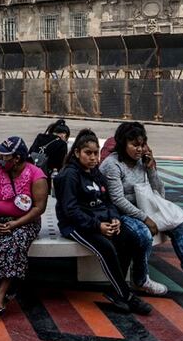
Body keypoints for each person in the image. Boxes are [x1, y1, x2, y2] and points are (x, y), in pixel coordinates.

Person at [100, 122, 183, 295]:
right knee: (143, 233)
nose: (139, 149)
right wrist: (145, 219)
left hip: (143, 208)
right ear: (122, 144)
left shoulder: (141, 162)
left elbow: (159, 192)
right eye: (134, 145)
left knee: (178, 224)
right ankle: (140, 279)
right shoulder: (112, 165)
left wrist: (151, 169)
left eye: (142, 145)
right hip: (118, 213)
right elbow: (117, 200)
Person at [54, 129, 154, 316]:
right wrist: (97, 226)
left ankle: (116, 292)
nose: (93, 158)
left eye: (96, 153)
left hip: (101, 221)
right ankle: (126, 295)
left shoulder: (95, 172)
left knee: (130, 239)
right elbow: (70, 210)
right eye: (88, 153)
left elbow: (108, 201)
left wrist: (114, 218)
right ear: (77, 153)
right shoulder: (70, 175)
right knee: (105, 248)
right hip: (75, 225)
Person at [0, 136, 48, 316]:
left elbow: (39, 207)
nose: (0, 160)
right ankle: (8, 279)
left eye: (4, 156)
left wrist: (16, 223)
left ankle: (3, 290)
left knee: (16, 242)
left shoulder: (36, 175)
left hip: (24, 222)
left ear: (16, 158)